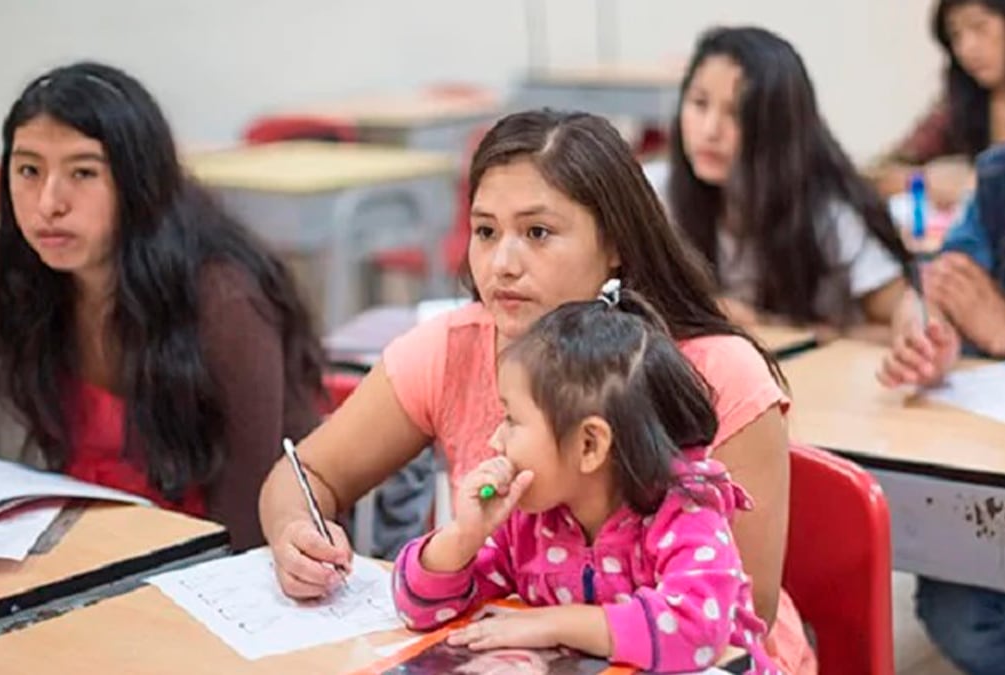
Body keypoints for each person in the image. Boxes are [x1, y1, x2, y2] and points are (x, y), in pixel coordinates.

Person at [261, 109, 818, 672]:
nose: (501, 264)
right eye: (485, 232)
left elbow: (731, 621)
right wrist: (297, 534)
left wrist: (553, 629)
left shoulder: (714, 372)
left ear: (616, 242)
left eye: (537, 233)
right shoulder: (455, 354)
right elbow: (308, 474)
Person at [0, 62, 324, 551]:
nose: (48, 203)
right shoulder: (13, 266)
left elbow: (246, 530)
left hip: (214, 562)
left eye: (82, 172)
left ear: (138, 183)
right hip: (92, 549)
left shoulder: (223, 300)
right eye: (29, 170)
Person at [391, 286, 779, 672]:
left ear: (589, 445)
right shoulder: (528, 521)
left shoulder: (686, 508)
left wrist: (553, 624)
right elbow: (420, 611)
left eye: (512, 420)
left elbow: (694, 630)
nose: (495, 439)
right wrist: (462, 538)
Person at [878, 37, 1005, 675]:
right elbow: (937, 286)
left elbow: (997, 325)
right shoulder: (1003, 182)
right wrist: (926, 333)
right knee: (956, 606)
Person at [660, 26, 912, 337]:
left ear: (778, 128)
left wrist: (773, 325)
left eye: (737, 113)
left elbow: (904, 324)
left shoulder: (826, 215)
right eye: (699, 103)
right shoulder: (655, 193)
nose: (710, 130)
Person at [871, 0, 1005, 207]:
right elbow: (880, 172)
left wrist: (972, 185)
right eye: (955, 35)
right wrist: (924, 181)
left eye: (979, 26)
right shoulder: (961, 105)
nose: (966, 48)